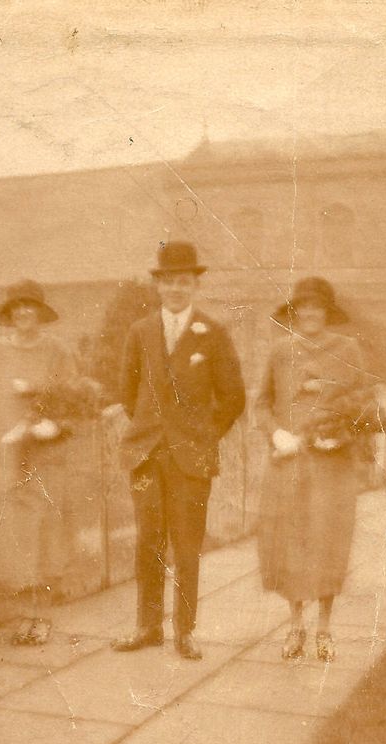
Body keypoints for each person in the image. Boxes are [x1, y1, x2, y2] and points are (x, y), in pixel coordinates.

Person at [112, 241, 246, 660]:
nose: (175, 289)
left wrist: (203, 435)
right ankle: (148, 627)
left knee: (187, 544)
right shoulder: (140, 331)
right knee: (148, 541)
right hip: (147, 455)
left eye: (184, 282)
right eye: (168, 282)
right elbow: (127, 392)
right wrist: (153, 429)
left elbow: (233, 397)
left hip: (192, 457)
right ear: (158, 285)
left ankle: (184, 631)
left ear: (195, 286)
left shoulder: (214, 332)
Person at [0, 279, 101, 645]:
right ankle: (24, 616)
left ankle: (43, 616)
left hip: (47, 459)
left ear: (41, 312)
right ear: (10, 314)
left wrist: (54, 426)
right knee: (15, 540)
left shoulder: (58, 351)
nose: (24, 312)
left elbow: (78, 403)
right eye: (17, 307)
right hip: (8, 459)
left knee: (45, 538)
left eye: (30, 306)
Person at [256, 277, 381, 662]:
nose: (309, 313)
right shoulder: (279, 351)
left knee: (328, 542)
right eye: (303, 307)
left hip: (332, 465)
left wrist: (343, 434)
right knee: (291, 541)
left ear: (327, 312)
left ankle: (324, 628)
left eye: (317, 307)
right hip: (290, 461)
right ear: (295, 313)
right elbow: (261, 403)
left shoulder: (348, 349)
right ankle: (295, 626)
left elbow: (365, 404)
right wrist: (276, 433)